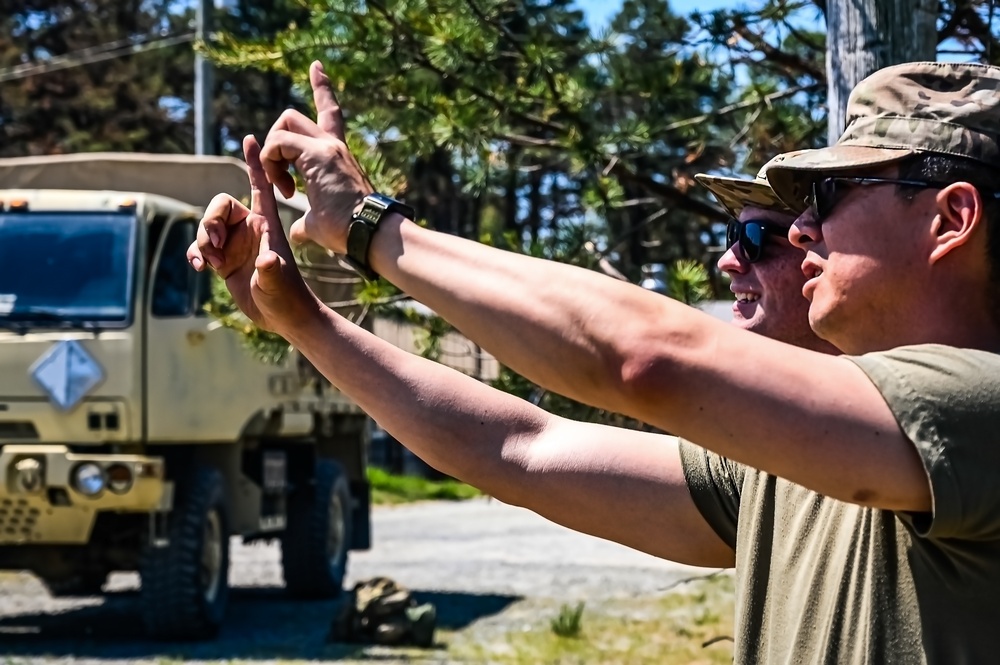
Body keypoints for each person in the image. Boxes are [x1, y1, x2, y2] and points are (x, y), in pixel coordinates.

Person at [188, 60, 1000, 662]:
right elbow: (518, 448)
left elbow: (642, 358)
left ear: (950, 218)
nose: (799, 230)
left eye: (832, 196)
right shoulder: (797, 465)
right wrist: (309, 324)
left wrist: (372, 229)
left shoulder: (984, 413)